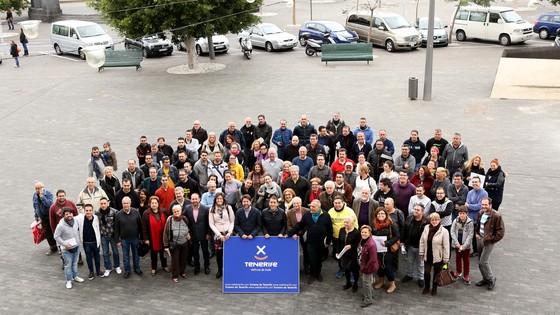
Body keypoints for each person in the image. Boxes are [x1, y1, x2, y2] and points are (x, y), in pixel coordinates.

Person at [287, 199, 333, 284]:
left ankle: (318, 273)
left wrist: (328, 242)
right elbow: (299, 225)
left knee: (319, 259)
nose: (311, 208)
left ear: (319, 207)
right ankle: (312, 274)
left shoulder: (326, 215)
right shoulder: (307, 215)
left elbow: (330, 230)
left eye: (313, 206)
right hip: (310, 241)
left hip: (321, 242)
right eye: (310, 206)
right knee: (312, 259)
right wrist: (289, 233)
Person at [475, 197, 505, 290]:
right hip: (480, 239)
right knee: (480, 262)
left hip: (488, 241)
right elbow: (478, 224)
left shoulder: (496, 216)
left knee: (483, 262)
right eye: (482, 204)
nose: (483, 206)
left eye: (485, 205)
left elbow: (501, 232)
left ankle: (491, 278)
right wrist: (476, 233)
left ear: (490, 205)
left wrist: (491, 240)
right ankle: (485, 278)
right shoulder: (480, 213)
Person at [419, 212, 450, 296]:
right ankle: (427, 287)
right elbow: (422, 240)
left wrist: (446, 258)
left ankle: (434, 288)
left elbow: (446, 246)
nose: (434, 221)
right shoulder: (426, 228)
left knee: (436, 274)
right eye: (432, 220)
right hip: (427, 255)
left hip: (438, 257)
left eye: (436, 220)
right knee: (426, 272)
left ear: (439, 220)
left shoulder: (444, 231)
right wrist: (421, 252)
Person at [54, 207, 84, 289]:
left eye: (70, 213)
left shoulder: (75, 221)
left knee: (75, 263)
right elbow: (56, 236)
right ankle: (68, 280)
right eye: (66, 214)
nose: (69, 215)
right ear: (64, 215)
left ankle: (75, 276)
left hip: (76, 247)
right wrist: (65, 244)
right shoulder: (60, 225)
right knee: (68, 265)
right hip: (66, 249)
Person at [372, 207, 399, 294]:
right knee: (379, 266)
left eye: (382, 214)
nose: (380, 215)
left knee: (387, 267)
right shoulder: (374, 224)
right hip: (377, 249)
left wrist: (387, 243)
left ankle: (392, 284)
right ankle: (381, 281)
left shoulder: (391, 224)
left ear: (386, 215)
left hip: (388, 250)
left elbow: (397, 236)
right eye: (379, 214)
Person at [115, 197, 143, 279]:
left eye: (127, 203)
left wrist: (141, 238)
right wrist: (118, 241)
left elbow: (140, 225)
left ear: (130, 203)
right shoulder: (118, 214)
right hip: (124, 239)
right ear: (122, 204)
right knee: (125, 256)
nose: (125, 205)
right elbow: (116, 229)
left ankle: (137, 268)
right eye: (124, 203)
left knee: (136, 255)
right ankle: (127, 270)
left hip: (135, 238)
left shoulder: (136, 212)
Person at [208, 192, 235, 278]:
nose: (219, 200)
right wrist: (219, 235)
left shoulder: (228, 207)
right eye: (217, 199)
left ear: (223, 200)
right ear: (215, 200)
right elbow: (211, 224)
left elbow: (232, 221)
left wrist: (229, 232)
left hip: (228, 233)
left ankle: (229, 270)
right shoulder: (211, 209)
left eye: (221, 199)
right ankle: (220, 270)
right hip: (218, 234)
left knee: (229, 254)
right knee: (219, 254)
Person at [402, 204, 429, 288]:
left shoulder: (426, 222)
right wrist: (402, 241)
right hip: (410, 245)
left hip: (421, 247)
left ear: (422, 212)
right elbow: (404, 229)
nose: (415, 211)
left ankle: (421, 278)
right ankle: (409, 275)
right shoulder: (409, 218)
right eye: (415, 209)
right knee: (410, 261)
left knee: (420, 263)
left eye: (418, 210)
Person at [184, 193, 211, 275]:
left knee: (205, 251)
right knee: (195, 252)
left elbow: (209, 222)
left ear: (199, 199)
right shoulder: (187, 208)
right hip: (193, 234)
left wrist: (208, 233)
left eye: (196, 199)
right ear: (190, 200)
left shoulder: (206, 209)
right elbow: (183, 219)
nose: (194, 201)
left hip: (204, 234)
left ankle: (207, 266)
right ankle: (197, 267)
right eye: (193, 199)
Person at [142, 196, 169, 276]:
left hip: (163, 236)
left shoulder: (164, 211)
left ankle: (164, 265)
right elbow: (143, 228)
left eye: (155, 203)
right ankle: (154, 268)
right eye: (152, 203)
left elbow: (168, 223)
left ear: (158, 204)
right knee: (153, 254)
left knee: (163, 252)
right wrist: (146, 239)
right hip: (152, 237)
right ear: (149, 204)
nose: (154, 204)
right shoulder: (146, 214)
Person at [163, 205, 190, 283]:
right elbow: (165, 233)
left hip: (184, 242)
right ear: (172, 212)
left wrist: (188, 233)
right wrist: (166, 245)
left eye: (178, 211)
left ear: (181, 211)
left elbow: (187, 227)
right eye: (174, 211)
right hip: (174, 243)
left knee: (183, 258)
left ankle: (182, 272)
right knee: (175, 260)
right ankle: (175, 275)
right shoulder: (170, 220)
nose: (176, 213)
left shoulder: (184, 218)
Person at [76, 204, 103, 280]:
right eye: (86, 210)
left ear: (92, 211)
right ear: (84, 211)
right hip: (86, 243)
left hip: (95, 242)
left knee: (97, 257)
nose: (88, 212)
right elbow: (71, 218)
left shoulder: (96, 218)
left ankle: (98, 271)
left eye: (90, 210)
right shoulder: (80, 218)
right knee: (88, 258)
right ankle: (91, 272)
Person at [95, 197, 121, 277]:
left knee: (115, 252)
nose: (103, 205)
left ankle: (117, 266)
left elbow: (117, 225)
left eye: (104, 203)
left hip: (112, 235)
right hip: (103, 236)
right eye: (101, 204)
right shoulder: (97, 212)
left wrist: (118, 238)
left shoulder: (114, 212)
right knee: (105, 253)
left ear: (108, 203)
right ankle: (108, 268)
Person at [450, 205, 474, 285]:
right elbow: (452, 231)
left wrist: (465, 245)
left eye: (463, 213)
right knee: (458, 258)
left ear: (466, 213)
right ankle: (458, 271)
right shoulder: (455, 221)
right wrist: (456, 243)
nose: (462, 215)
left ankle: (466, 274)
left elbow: (471, 235)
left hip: (466, 246)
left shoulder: (470, 222)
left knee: (466, 260)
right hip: (457, 244)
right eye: (460, 213)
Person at [286, 197, 310, 274]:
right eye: (294, 203)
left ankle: (306, 266)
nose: (296, 205)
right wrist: (293, 233)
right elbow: (288, 225)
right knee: (293, 252)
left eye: (297, 203)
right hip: (294, 235)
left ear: (301, 203)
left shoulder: (307, 211)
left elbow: (309, 224)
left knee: (306, 251)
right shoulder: (289, 213)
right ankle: (294, 268)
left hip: (305, 234)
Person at [465, 176, 488, 256]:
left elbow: (480, 206)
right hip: (470, 217)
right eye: (473, 182)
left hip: (479, 218)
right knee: (471, 235)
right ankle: (475, 249)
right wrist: (471, 206)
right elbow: (466, 204)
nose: (474, 183)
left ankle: (479, 250)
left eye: (476, 182)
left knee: (478, 235)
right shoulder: (470, 192)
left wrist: (470, 206)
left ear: (480, 183)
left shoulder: (484, 193)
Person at [337, 216, 361, 292]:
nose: (345, 224)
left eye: (347, 222)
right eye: (344, 222)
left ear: (352, 223)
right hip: (344, 254)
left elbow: (359, 245)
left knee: (354, 270)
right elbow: (339, 242)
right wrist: (337, 252)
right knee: (346, 269)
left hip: (353, 255)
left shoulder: (356, 233)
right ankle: (348, 283)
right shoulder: (341, 230)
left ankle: (355, 284)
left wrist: (351, 246)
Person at [358, 225, 379, 308]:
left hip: (367, 268)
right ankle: (370, 295)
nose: (363, 234)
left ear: (370, 233)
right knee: (368, 282)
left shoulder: (371, 244)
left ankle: (368, 300)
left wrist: (365, 268)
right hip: (363, 265)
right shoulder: (363, 240)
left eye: (365, 232)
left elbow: (373, 259)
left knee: (366, 283)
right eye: (362, 232)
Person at [33, 182, 57, 254]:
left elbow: (48, 204)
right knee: (47, 233)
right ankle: (53, 247)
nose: (37, 190)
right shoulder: (34, 195)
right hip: (42, 217)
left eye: (39, 188)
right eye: (36, 188)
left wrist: (42, 196)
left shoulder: (49, 194)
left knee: (54, 231)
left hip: (50, 215)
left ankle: (59, 245)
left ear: (42, 188)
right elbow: (35, 206)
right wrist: (36, 215)